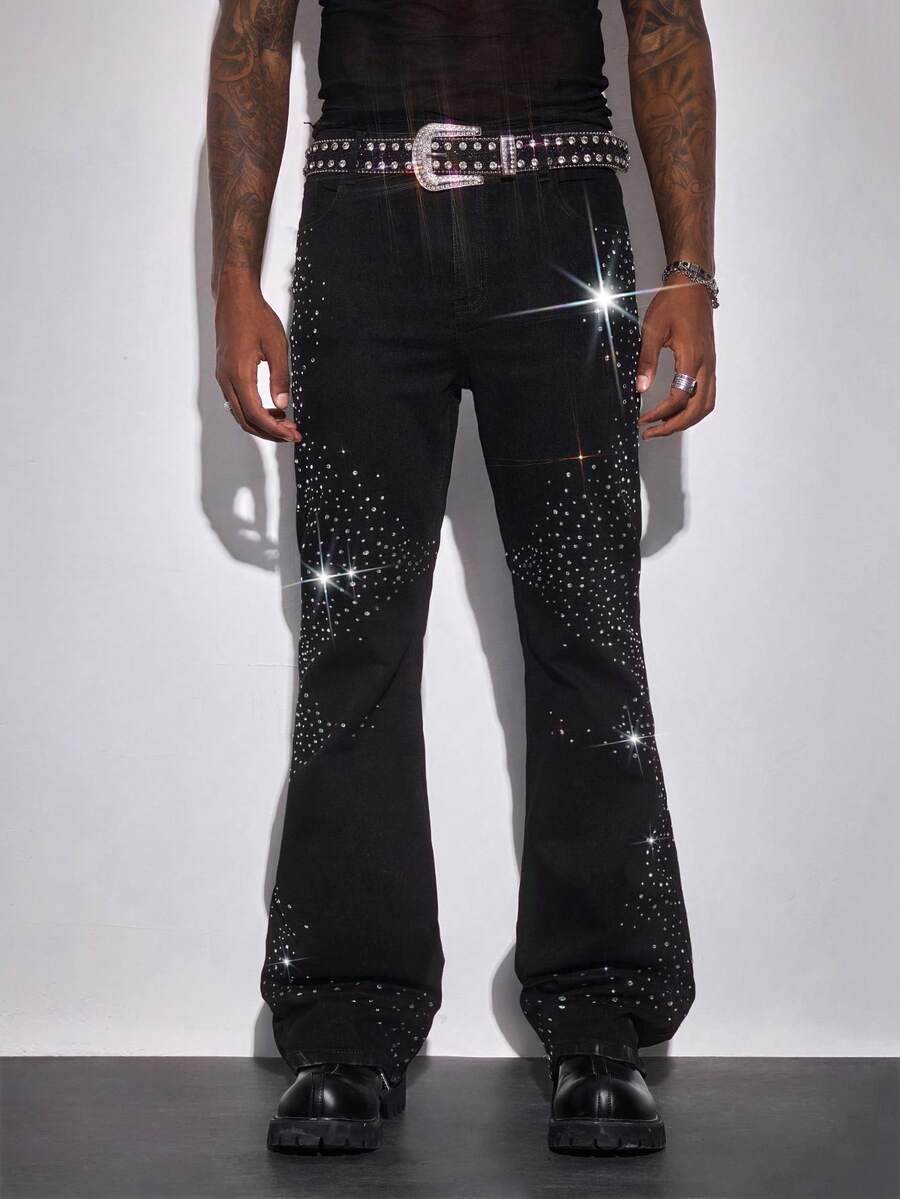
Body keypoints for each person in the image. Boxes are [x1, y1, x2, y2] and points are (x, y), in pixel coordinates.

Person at [208, 0, 716, 1156]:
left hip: (564, 213)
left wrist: (691, 267)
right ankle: (348, 1017)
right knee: (355, 639)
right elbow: (252, 33)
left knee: (588, 627)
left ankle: (602, 1015)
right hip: (362, 215)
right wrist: (234, 277)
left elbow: (665, 22)